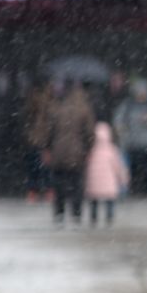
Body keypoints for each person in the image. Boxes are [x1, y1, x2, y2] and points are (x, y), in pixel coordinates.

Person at [38, 78, 96, 228]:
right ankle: (76, 215)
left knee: (59, 186)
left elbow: (47, 132)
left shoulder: (54, 107)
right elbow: (90, 132)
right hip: (78, 153)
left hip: (58, 153)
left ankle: (59, 215)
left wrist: (46, 149)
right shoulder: (83, 107)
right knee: (77, 185)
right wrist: (89, 149)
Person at [112, 78, 147, 195]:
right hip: (132, 142)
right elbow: (118, 119)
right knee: (132, 168)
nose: (141, 95)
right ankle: (133, 188)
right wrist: (121, 128)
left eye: (144, 93)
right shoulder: (128, 105)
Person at [84, 121, 130, 227]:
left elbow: (86, 166)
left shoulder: (91, 151)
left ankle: (94, 217)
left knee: (94, 201)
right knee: (110, 201)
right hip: (109, 184)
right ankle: (109, 217)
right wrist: (123, 178)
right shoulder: (112, 150)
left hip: (94, 184)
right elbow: (118, 166)